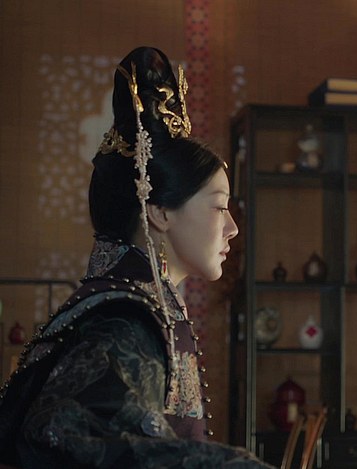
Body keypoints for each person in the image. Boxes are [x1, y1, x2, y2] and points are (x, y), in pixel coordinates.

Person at [0, 47, 273, 468]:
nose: (232, 228)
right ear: (159, 212)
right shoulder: (124, 320)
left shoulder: (137, 305)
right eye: (220, 206)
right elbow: (79, 437)